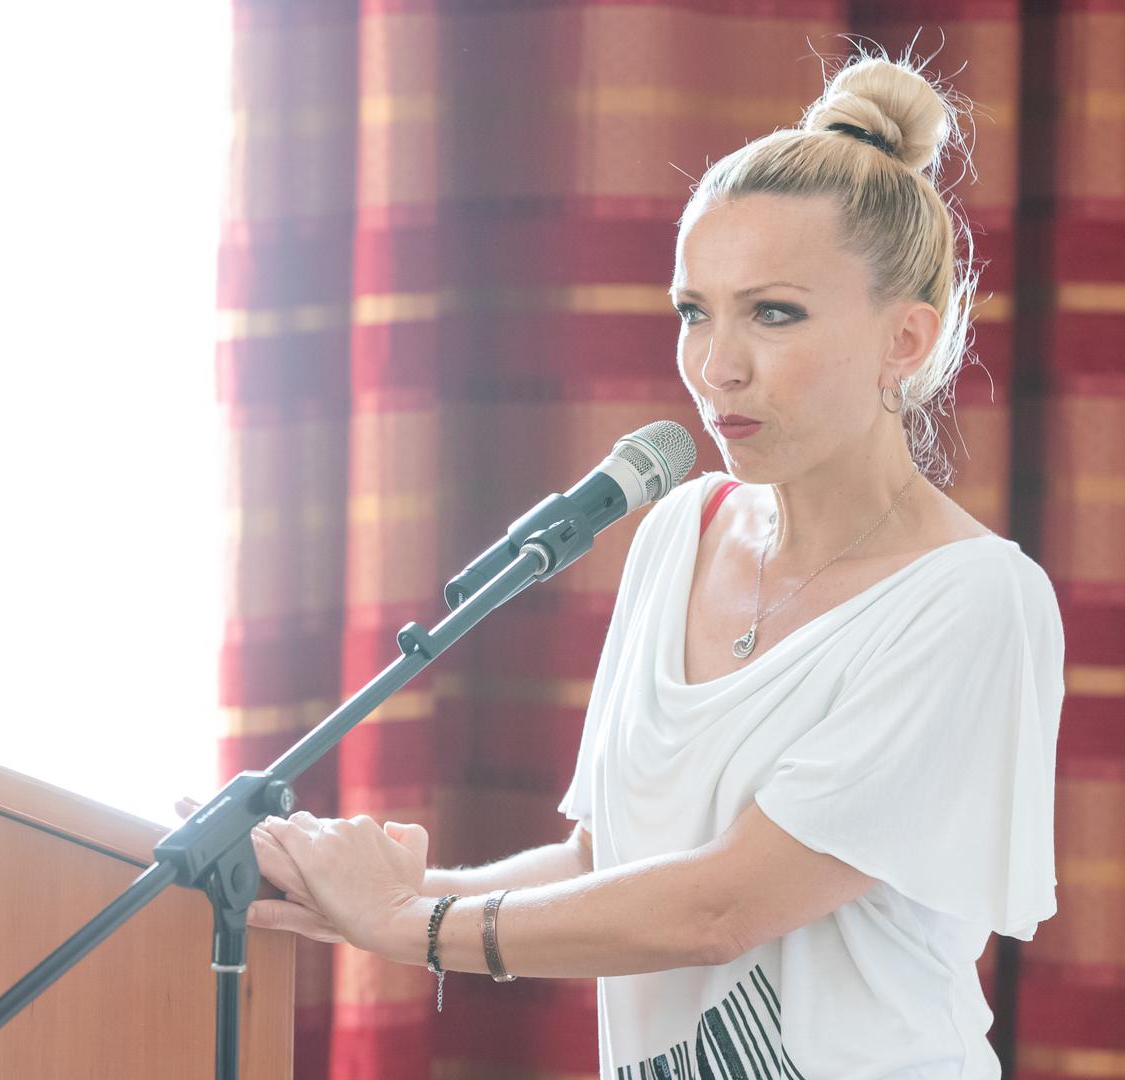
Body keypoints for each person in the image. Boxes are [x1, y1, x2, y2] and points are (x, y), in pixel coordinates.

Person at [209, 47, 1066, 1078]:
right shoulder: (677, 532)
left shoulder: (974, 601)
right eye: (693, 311)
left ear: (906, 339)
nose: (715, 366)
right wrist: (369, 894)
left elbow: (717, 908)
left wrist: (406, 925)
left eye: (773, 312)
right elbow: (602, 863)